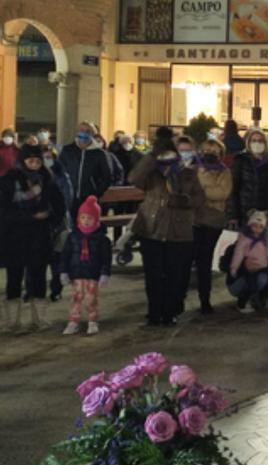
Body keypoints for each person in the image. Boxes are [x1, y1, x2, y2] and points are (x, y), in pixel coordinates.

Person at [129, 136, 203, 326]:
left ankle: (170, 313)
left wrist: (183, 201)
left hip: (178, 231)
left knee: (175, 276)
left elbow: (199, 198)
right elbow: (135, 179)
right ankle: (154, 313)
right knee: (153, 276)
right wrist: (152, 155)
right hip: (152, 229)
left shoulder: (189, 173)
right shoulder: (153, 172)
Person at [1, 144, 66, 325]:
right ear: (23, 160)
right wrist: (30, 216)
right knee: (14, 277)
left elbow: (59, 206)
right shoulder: (8, 180)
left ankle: (38, 319)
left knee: (38, 275)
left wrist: (50, 222)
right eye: (31, 160)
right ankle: (13, 321)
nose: (35, 164)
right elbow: (4, 210)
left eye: (38, 161)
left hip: (40, 236)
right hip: (14, 236)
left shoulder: (47, 179)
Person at [58, 195, 111, 335]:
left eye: (90, 218)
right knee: (76, 297)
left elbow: (106, 259)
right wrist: (63, 271)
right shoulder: (73, 237)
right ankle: (73, 321)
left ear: (96, 219)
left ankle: (92, 321)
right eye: (83, 217)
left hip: (93, 273)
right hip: (76, 273)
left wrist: (104, 273)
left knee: (91, 298)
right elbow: (65, 255)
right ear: (78, 218)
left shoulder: (102, 240)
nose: (86, 221)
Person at [193, 138, 231, 314]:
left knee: (204, 259)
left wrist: (202, 191)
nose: (210, 154)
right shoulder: (193, 168)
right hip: (193, 219)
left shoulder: (225, 172)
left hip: (213, 220)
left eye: (215, 152)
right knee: (188, 259)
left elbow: (222, 193)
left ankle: (205, 300)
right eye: (207, 150)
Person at [227, 211, 268, 312]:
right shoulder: (244, 239)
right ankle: (242, 303)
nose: (257, 229)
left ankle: (262, 298)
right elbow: (238, 254)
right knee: (252, 285)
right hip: (249, 270)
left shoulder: (265, 240)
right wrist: (234, 267)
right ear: (250, 225)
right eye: (255, 226)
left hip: (263, 268)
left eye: (261, 227)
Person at [230, 130, 268, 227]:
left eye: (260, 141)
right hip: (244, 212)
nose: (257, 143)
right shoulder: (240, 161)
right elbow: (233, 189)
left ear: (265, 143)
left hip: (266, 212)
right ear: (249, 143)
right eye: (254, 140)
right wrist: (233, 215)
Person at [58, 123, 114, 215]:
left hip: (89, 198)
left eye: (87, 131)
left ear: (93, 134)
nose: (83, 133)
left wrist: (96, 193)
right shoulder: (68, 150)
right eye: (81, 130)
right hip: (69, 197)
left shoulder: (100, 154)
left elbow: (107, 176)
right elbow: (59, 170)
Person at [42, 145, 73, 302]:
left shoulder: (62, 177)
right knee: (37, 258)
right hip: (40, 224)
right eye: (44, 157)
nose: (46, 161)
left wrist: (54, 218)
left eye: (49, 157)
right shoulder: (36, 176)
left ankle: (56, 289)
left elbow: (66, 200)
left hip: (59, 223)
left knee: (57, 258)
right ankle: (33, 289)